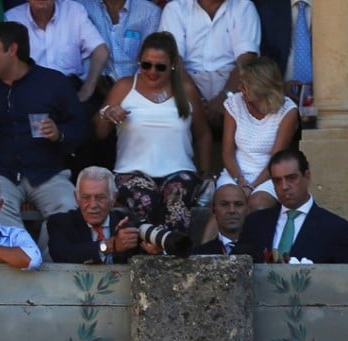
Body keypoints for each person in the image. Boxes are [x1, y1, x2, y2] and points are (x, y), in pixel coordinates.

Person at [95, 31, 213, 235]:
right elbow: (98, 132)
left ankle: (171, 256)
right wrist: (107, 114)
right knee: (147, 200)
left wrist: (206, 175)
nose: (152, 72)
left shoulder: (186, 90)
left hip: (179, 171)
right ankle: (151, 252)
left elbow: (203, 135)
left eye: (160, 67)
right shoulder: (124, 86)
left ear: (173, 65)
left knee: (177, 207)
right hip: (131, 171)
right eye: (146, 65)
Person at [0, 21, 85, 235]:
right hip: (1, 174)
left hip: (47, 173)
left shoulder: (53, 82)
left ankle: (46, 264)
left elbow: (81, 127)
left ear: (12, 50)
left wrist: (59, 133)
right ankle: (20, 258)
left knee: (68, 209)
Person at [232, 149, 348, 264]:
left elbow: (346, 281)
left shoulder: (335, 228)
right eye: (277, 181)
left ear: (307, 177)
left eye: (291, 178)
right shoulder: (255, 223)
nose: (284, 186)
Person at [159, 0, 260, 127]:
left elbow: (247, 61)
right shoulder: (175, 8)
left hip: (233, 86)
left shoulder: (244, 6)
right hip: (188, 85)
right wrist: (197, 101)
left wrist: (224, 98)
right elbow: (173, 60)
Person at [216, 56, 297, 214]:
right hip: (236, 173)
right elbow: (227, 153)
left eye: (245, 86)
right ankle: (211, 240)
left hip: (269, 176)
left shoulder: (287, 111)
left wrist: (251, 187)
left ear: (261, 88)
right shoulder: (234, 104)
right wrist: (241, 181)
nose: (239, 89)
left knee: (257, 204)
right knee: (225, 205)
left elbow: (276, 160)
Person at [47, 165, 159, 263]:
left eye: (100, 197)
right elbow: (61, 255)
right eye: (86, 198)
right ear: (76, 198)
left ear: (113, 198)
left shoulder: (128, 222)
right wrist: (111, 245)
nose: (93, 205)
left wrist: (153, 252)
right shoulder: (60, 223)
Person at [5, 0, 109, 104]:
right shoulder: (12, 18)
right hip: (30, 90)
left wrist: (87, 89)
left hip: (69, 87)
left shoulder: (73, 10)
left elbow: (100, 50)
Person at [76, 0, 162, 83]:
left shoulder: (150, 12)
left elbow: (149, 62)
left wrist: (126, 89)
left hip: (135, 88)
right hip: (94, 86)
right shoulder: (81, 6)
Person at [192, 182, 246, 254]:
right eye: (224, 204)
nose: (232, 210)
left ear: (247, 209)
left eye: (238, 204)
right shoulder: (199, 254)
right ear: (213, 210)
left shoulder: (260, 250)